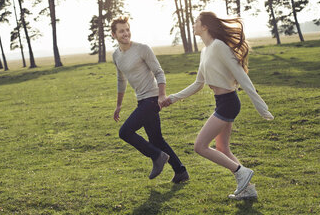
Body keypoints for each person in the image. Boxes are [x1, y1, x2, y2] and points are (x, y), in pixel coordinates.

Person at [161, 11, 274, 198]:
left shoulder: (219, 46)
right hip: (221, 102)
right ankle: (248, 189)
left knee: (200, 146)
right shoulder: (205, 50)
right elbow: (198, 83)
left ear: (204, 26)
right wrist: (173, 98)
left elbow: (241, 76)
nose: (194, 24)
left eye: (196, 21)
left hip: (228, 102)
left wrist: (261, 106)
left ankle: (241, 172)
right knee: (222, 148)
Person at [111, 16, 189, 183]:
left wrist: (162, 95)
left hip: (152, 99)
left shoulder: (142, 49)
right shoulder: (116, 55)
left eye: (127, 29)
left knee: (125, 132)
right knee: (156, 139)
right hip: (142, 99)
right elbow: (120, 80)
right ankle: (181, 171)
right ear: (114, 35)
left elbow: (159, 72)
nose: (126, 33)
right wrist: (118, 105)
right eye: (121, 31)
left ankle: (157, 156)